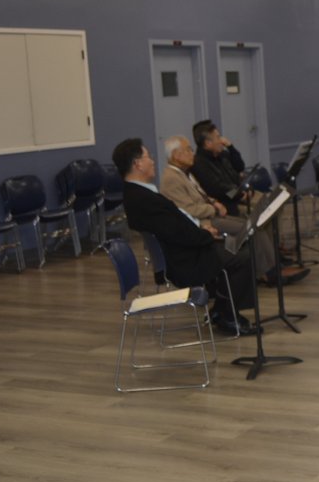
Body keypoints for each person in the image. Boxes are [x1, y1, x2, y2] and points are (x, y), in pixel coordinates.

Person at [114, 138, 259, 336]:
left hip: (184, 250)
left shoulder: (137, 193)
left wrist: (202, 230)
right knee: (243, 256)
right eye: (149, 157)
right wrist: (206, 234)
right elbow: (177, 232)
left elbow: (176, 225)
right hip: (184, 260)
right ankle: (228, 316)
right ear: (137, 164)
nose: (153, 161)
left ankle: (221, 310)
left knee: (237, 247)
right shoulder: (142, 198)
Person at [159, 135, 308, 287]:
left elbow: (203, 195)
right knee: (253, 228)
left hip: (213, 215)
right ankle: (271, 273)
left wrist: (214, 202)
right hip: (204, 223)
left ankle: (268, 268)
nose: (192, 153)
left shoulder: (185, 173)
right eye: (188, 150)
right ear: (176, 155)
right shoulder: (171, 179)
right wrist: (214, 207)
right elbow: (188, 209)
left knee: (254, 224)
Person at [191, 120, 249, 215]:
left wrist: (230, 147)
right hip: (229, 205)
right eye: (218, 137)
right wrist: (239, 194)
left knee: (269, 201)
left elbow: (239, 167)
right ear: (208, 143)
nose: (222, 140)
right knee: (265, 209)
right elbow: (219, 190)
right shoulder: (199, 164)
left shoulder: (221, 155)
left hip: (241, 195)